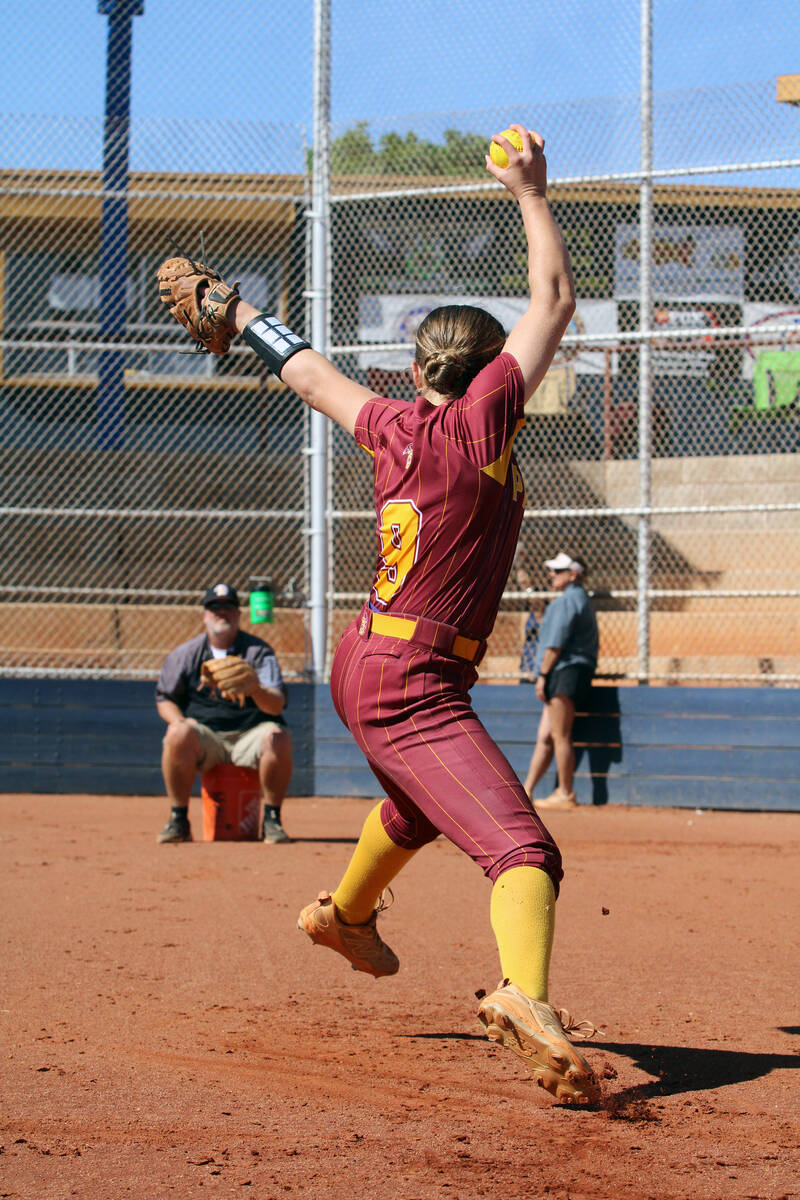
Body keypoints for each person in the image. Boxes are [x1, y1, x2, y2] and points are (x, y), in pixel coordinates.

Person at [158, 126, 599, 1105]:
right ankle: (526, 996)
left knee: (418, 805)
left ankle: (344, 916)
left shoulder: (394, 426)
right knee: (522, 850)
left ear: (415, 375)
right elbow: (554, 301)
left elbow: (306, 370)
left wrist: (238, 311)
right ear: (491, 378)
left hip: (373, 660)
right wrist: (529, 190)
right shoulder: (483, 421)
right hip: (410, 679)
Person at [155, 582, 293, 845]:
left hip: (250, 734)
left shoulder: (258, 652)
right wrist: (180, 722)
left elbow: (276, 705)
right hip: (207, 738)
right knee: (177, 733)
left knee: (278, 737)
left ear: (239, 614)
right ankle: (179, 819)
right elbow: (165, 699)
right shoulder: (187, 654)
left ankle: (272, 820)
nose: (222, 612)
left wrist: (255, 689)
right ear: (204, 615)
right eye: (214, 607)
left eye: (229, 607)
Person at [522, 553, 599, 810]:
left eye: (558, 570)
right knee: (546, 735)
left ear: (573, 574)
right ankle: (526, 792)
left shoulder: (566, 602)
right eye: (552, 570)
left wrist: (542, 675)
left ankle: (566, 793)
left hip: (563, 672)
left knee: (559, 734)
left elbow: (554, 645)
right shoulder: (579, 599)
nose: (552, 574)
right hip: (570, 672)